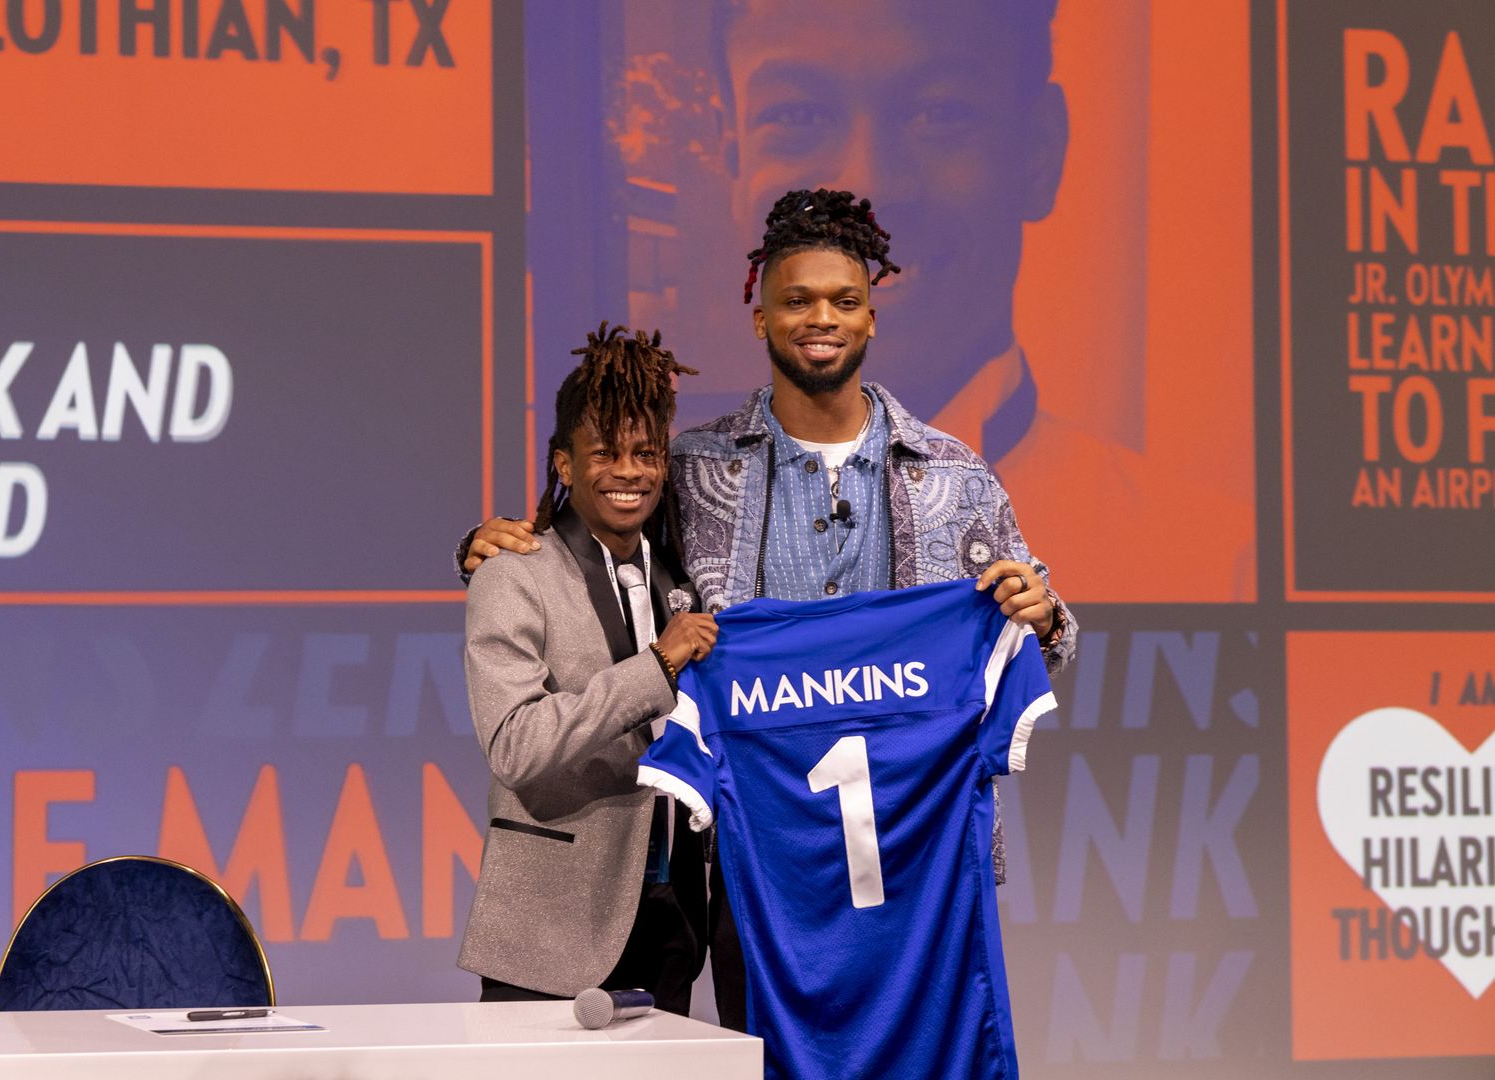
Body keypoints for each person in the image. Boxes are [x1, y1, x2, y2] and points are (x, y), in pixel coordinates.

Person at [462, 188, 1078, 1028]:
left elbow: (1028, 649)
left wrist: (1045, 619)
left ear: (870, 318)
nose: (820, 318)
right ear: (760, 315)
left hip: (912, 854)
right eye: (797, 300)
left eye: (844, 300)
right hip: (745, 861)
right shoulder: (693, 470)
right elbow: (595, 521)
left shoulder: (955, 477)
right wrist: (484, 541)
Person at [636, 0, 1253, 599]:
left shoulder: (1212, 563)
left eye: (938, 113)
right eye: (797, 116)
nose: (868, 184)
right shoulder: (642, 541)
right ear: (735, 153)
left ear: (1039, 151)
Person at [458, 324, 719, 1012]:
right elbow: (516, 745)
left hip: (669, 919)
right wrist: (656, 665)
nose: (628, 472)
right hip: (550, 927)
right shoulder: (513, 575)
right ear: (565, 464)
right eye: (604, 453)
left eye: (645, 453)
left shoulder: (678, 579)